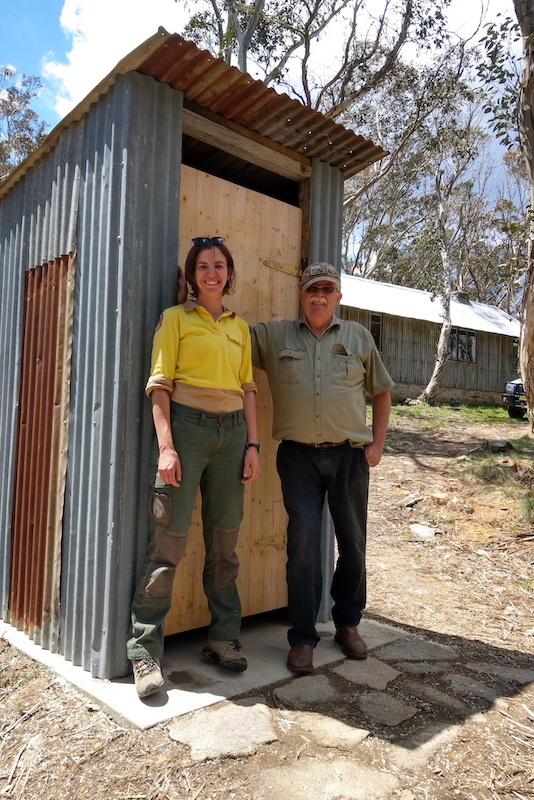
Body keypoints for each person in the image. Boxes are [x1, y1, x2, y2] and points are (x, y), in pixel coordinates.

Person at [127, 236, 260, 698]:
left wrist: (253, 445)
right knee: (168, 543)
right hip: (186, 432)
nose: (212, 273)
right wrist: (167, 447)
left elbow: (248, 389)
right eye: (203, 266)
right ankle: (145, 651)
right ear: (191, 274)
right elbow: (159, 385)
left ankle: (223, 638)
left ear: (229, 273)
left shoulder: (240, 328)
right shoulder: (175, 320)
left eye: (219, 265)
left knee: (225, 546)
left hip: (232, 438)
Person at [251, 262, 394, 673]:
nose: (319, 296)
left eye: (327, 290)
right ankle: (302, 638)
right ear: (301, 295)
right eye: (312, 289)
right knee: (304, 544)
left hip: (349, 456)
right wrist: (191, 301)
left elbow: (381, 392)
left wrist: (378, 442)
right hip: (298, 458)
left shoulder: (358, 337)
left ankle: (347, 624)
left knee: (353, 543)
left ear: (338, 297)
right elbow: (228, 335)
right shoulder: (275, 336)